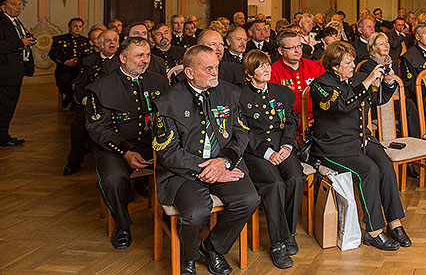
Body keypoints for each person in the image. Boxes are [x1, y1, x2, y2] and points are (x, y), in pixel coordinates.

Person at [152, 45, 259, 275]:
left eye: (216, 67)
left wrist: (223, 162)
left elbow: (241, 133)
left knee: (249, 199)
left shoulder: (229, 92)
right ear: (189, 73)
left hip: (225, 164)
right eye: (208, 68)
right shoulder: (167, 101)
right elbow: (168, 151)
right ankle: (188, 257)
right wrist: (206, 168)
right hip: (182, 172)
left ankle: (212, 248)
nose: (215, 73)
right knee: (196, 212)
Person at [310, 41, 410, 251]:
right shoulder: (320, 84)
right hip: (333, 146)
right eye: (348, 62)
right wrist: (367, 82)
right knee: (369, 171)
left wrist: (389, 83)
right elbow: (341, 105)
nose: (352, 65)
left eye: (353, 60)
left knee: (386, 165)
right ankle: (373, 231)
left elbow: (377, 99)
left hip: (360, 139)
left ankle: (395, 222)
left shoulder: (356, 78)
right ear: (334, 65)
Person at [86, 37, 169, 249]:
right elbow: (98, 129)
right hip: (115, 147)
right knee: (113, 179)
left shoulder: (159, 81)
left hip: (152, 144)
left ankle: (171, 216)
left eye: (148, 55)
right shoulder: (101, 88)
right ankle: (123, 225)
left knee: (181, 166)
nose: (145, 60)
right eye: (139, 55)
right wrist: (125, 152)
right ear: (122, 58)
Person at [239, 50, 304, 269]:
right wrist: (268, 153)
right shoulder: (239, 96)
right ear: (249, 72)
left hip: (282, 147)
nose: (266, 69)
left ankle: (289, 233)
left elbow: (290, 122)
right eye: (260, 66)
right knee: (275, 184)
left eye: (267, 65)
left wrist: (287, 145)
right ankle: (277, 243)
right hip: (256, 152)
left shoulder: (282, 92)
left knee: (295, 178)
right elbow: (243, 132)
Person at [65, 29, 120, 175]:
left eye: (115, 40)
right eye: (108, 40)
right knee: (78, 125)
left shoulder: (123, 60)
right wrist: (84, 99)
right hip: (93, 104)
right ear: (100, 44)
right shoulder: (89, 61)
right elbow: (80, 84)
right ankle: (74, 161)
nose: (112, 43)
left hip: (117, 105)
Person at [270, 30, 325, 138]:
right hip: (289, 126)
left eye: (299, 46)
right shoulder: (273, 72)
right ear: (281, 51)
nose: (297, 50)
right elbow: (274, 107)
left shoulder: (314, 66)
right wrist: (299, 124)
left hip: (319, 120)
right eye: (292, 47)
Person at [0, 0, 34, 147]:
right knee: (5, 105)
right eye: (14, 4)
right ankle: (2, 137)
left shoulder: (15, 21)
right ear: (2, 7)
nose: (18, 7)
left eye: (20, 4)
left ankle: (3, 135)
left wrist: (28, 39)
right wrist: (21, 42)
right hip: (5, 72)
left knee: (9, 105)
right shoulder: (1, 21)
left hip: (15, 70)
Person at [50, 17, 91, 109]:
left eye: (80, 26)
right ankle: (72, 99)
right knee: (63, 83)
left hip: (80, 69)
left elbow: (89, 56)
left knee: (83, 83)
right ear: (69, 28)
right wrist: (65, 62)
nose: (78, 28)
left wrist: (80, 62)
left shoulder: (86, 41)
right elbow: (53, 55)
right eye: (75, 26)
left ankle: (71, 99)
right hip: (64, 69)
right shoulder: (59, 40)